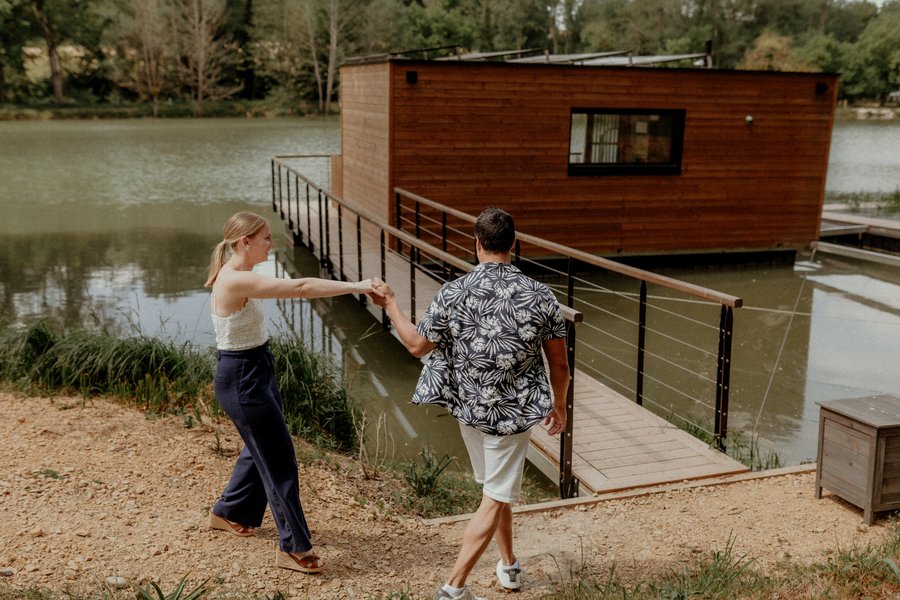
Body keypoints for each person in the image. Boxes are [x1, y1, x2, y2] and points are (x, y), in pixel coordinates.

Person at [371, 207, 570, 600]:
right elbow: (559, 364)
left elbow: (415, 345)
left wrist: (392, 303)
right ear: (514, 245)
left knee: (496, 489)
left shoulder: (453, 292)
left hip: (470, 409)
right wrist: (559, 406)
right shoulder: (541, 295)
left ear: (476, 245)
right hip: (512, 415)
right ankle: (453, 589)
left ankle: (509, 565)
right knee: (497, 495)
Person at [204, 211, 379, 573]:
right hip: (241, 376)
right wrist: (357, 287)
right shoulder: (234, 280)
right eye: (267, 237)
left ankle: (229, 511)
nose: (273, 242)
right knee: (279, 460)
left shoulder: (245, 275)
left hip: (257, 367)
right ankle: (293, 547)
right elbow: (300, 288)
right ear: (245, 242)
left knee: (259, 451)